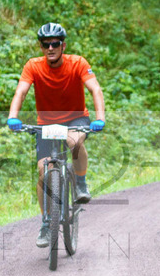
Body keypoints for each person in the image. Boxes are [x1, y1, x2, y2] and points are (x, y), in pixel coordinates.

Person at [7, 23, 106, 248]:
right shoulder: (33, 66)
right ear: (40, 47)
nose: (50, 48)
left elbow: (95, 90)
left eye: (55, 43)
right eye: (45, 44)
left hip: (76, 119)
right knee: (43, 170)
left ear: (63, 45)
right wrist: (13, 116)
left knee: (73, 141)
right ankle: (45, 221)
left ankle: (80, 183)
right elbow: (21, 92)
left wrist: (100, 118)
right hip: (47, 124)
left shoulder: (78, 63)